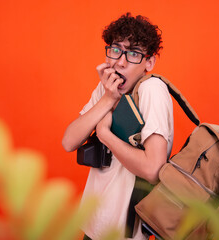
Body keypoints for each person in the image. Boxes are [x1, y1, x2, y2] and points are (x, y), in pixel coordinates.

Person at [62, 12, 174, 240]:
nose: (120, 62)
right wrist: (107, 100)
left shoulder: (151, 90)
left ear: (149, 62)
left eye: (133, 54)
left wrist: (104, 134)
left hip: (126, 233)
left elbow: (153, 169)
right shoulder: (106, 89)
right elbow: (68, 141)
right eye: (115, 50)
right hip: (94, 225)